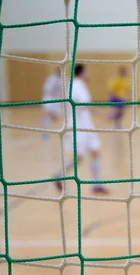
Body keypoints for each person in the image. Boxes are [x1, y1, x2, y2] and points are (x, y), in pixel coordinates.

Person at [54, 64, 109, 194]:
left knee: (95, 151)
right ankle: (59, 175)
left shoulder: (81, 85)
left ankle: (96, 184)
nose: (89, 73)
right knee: (80, 157)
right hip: (77, 127)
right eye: (87, 71)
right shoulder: (76, 85)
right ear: (82, 72)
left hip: (86, 125)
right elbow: (85, 104)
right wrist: (103, 115)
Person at [41, 66, 64, 140]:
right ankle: (45, 132)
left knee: (55, 118)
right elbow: (47, 89)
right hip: (49, 99)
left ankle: (62, 132)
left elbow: (63, 92)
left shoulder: (63, 80)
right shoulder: (51, 79)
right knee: (48, 115)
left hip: (57, 101)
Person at [107, 66, 131, 130]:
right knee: (117, 111)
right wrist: (110, 98)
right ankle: (116, 123)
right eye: (125, 72)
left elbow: (127, 90)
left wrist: (129, 98)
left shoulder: (126, 80)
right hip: (116, 98)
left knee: (122, 112)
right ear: (122, 72)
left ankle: (117, 123)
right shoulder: (116, 79)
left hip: (122, 99)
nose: (126, 73)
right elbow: (111, 89)